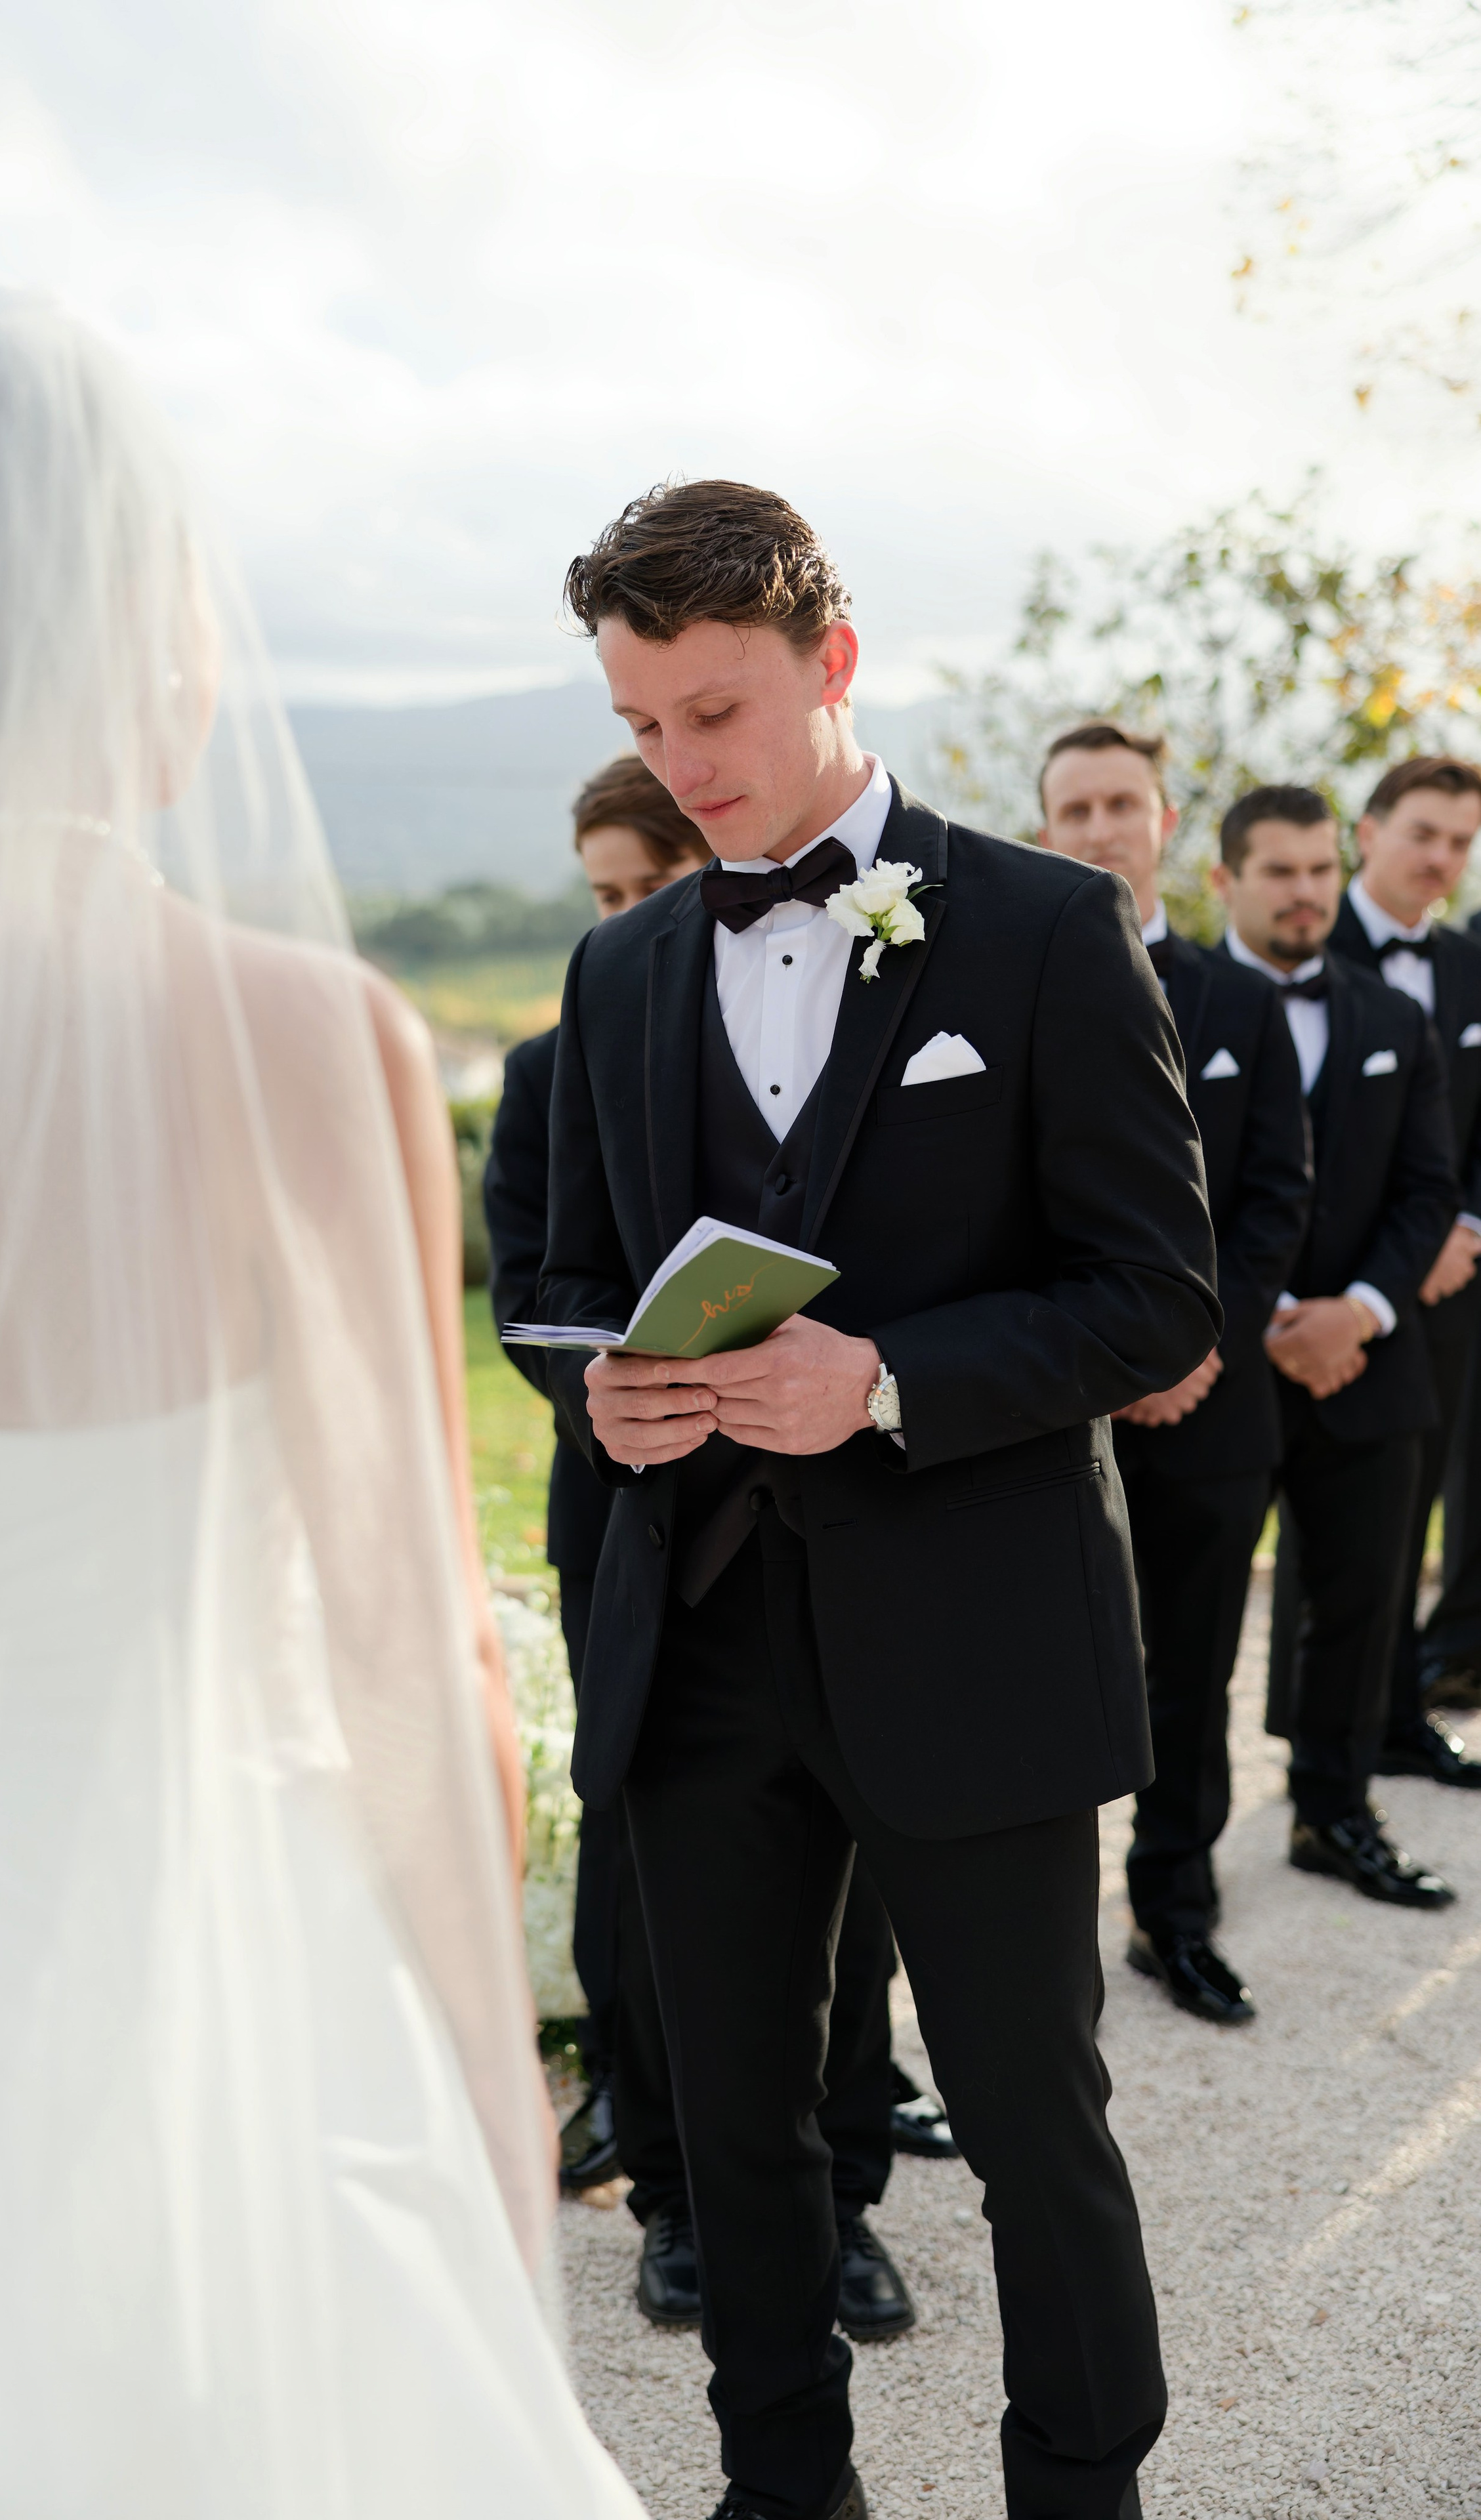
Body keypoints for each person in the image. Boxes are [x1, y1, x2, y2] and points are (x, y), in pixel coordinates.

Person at [0, 298, 644, 2518]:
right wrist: (486, 2068)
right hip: (204, 1969)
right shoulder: (299, 1039)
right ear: (134, 625)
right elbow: (407, 1639)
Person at [541, 479, 1222, 2520]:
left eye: (718, 717)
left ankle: (1081, 2489)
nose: (684, 771)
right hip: (703, 1647)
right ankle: (783, 2492)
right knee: (739, 2138)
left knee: (1035, 2125)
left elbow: (1157, 1294)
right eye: (647, 727)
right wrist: (614, 1397)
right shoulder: (623, 973)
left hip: (972, 1639)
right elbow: (564, 1286)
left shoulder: (1039, 925)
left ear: (832, 666)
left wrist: (894, 1378)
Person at [484, 751, 946, 2344]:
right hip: (632, 1520)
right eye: (601, 896)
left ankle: (842, 2205)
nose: (620, 919)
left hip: (839, 1518)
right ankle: (674, 2195)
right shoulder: (561, 1057)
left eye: (645, 886)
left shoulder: (832, 1031)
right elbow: (532, 1297)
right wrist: (609, 1380)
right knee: (639, 1878)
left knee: (851, 1870)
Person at [1036, 722, 1310, 2026]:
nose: (1098, 828)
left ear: (1161, 822)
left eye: (1120, 804)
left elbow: (1271, 1201)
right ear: (1045, 832)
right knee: (1037, 1673)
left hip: (1207, 1404)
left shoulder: (1239, 1002)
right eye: (1073, 809)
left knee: (1190, 1671)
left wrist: (1194, 1346)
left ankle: (1173, 1909)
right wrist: (1094, 1364)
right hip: (1050, 1412)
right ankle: (1029, 1944)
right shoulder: (1009, 990)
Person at [1214, 786, 1461, 1910]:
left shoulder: (1391, 1019)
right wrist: (1262, 1320)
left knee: (1362, 1606)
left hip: (1368, 1359)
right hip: (1216, 1368)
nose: (1307, 891)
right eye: (1282, 871)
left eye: (1319, 870)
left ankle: (1335, 1813)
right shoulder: (1168, 1008)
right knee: (1193, 1628)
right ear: (1228, 879)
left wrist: (1358, 1312)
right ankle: (1174, 1873)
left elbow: (1427, 1193)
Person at [1327, 755, 1481, 1776]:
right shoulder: (1292, 948)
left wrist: (1465, 1225)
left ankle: (1397, 1717)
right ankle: (1323, 1742)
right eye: (1424, 833)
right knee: (1331, 1527)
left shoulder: (1471, 963)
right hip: (1327, 1297)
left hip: (1452, 1281)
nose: (1443, 859)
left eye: (1463, 843)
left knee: (1416, 1495)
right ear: (1368, 831)